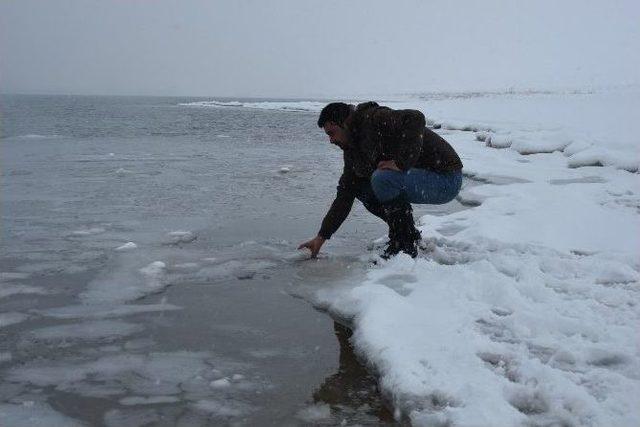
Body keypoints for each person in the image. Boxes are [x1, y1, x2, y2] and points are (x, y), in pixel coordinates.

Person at [298, 101, 463, 258]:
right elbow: (345, 194)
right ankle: (406, 234)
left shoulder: (374, 118)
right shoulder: (352, 150)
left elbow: (415, 117)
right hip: (426, 180)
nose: (331, 140)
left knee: (382, 179)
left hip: (446, 179)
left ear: (344, 123)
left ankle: (404, 246)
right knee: (361, 187)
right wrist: (321, 237)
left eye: (331, 133)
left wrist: (401, 162)